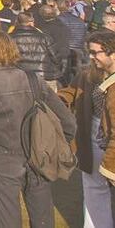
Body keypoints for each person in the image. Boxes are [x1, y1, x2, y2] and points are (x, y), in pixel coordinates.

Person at [0, 29, 75, 228]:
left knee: (6, 216)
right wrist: (58, 143)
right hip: (38, 153)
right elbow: (68, 121)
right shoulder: (32, 78)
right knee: (42, 216)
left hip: (4, 156)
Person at [57, 30, 115, 228]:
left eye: (95, 52)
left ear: (112, 53)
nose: (91, 57)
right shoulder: (87, 74)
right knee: (93, 189)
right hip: (92, 138)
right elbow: (70, 92)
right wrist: (59, 100)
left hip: (113, 141)